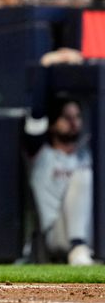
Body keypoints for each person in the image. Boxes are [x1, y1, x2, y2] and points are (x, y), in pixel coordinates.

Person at [30, 97, 95, 266]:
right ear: (52, 124)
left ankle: (80, 248)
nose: (74, 122)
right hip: (57, 233)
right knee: (83, 175)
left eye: (77, 117)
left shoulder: (86, 154)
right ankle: (77, 246)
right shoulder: (43, 155)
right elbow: (34, 119)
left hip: (93, 230)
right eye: (66, 117)